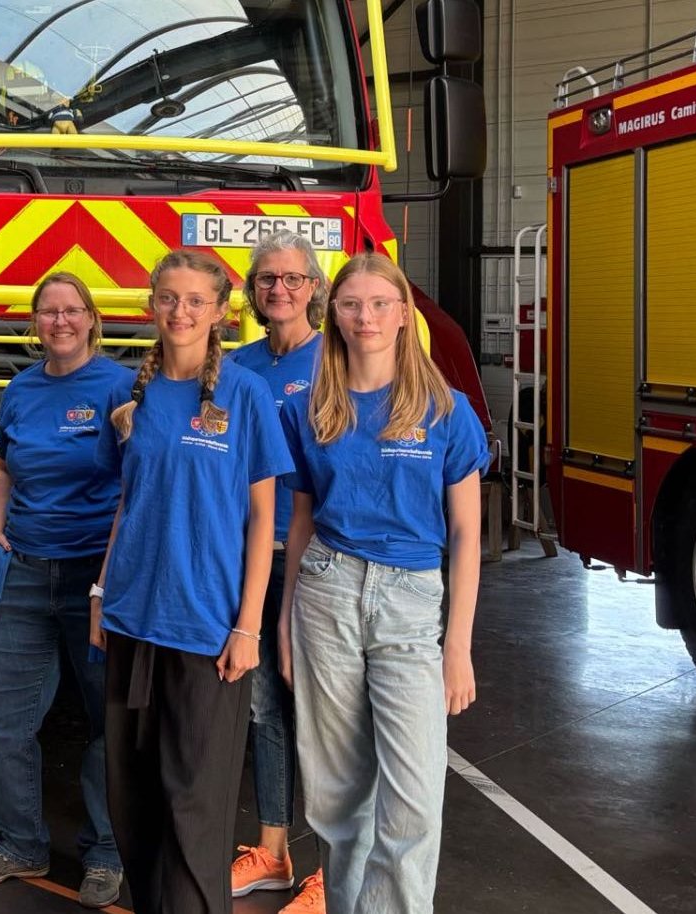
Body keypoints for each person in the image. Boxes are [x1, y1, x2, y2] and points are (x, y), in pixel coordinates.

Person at [278, 253, 486, 914]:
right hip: (325, 592)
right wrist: (284, 623)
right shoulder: (311, 408)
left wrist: (457, 646)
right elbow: (302, 521)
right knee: (338, 799)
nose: (364, 317)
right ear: (333, 316)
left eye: (378, 303)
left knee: (414, 801)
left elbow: (468, 535)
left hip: (410, 602)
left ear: (403, 314)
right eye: (351, 304)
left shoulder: (446, 411)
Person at [89, 250, 292, 914]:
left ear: (221, 312)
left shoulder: (245, 394)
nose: (180, 312)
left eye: (196, 300)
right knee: (134, 800)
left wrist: (248, 627)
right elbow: (127, 501)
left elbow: (262, 518)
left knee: (194, 806)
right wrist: (101, 593)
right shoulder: (130, 396)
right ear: (152, 305)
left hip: (207, 627)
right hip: (131, 618)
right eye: (169, 299)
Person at [0, 272, 130, 908]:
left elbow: (137, 482)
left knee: (109, 717)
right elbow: (6, 466)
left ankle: (107, 851)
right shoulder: (23, 389)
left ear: (91, 319)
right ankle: (21, 843)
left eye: (71, 311)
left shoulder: (120, 386)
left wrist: (109, 577)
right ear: (35, 323)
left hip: (96, 575)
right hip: (26, 570)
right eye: (48, 312)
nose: (60, 321)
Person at [224, 232, 329, 912]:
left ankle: (332, 868)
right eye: (267, 279)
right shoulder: (238, 366)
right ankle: (273, 852)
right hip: (255, 556)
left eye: (293, 278)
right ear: (253, 291)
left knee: (323, 714)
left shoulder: (338, 359)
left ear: (314, 287)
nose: (279, 289)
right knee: (265, 708)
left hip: (318, 558)